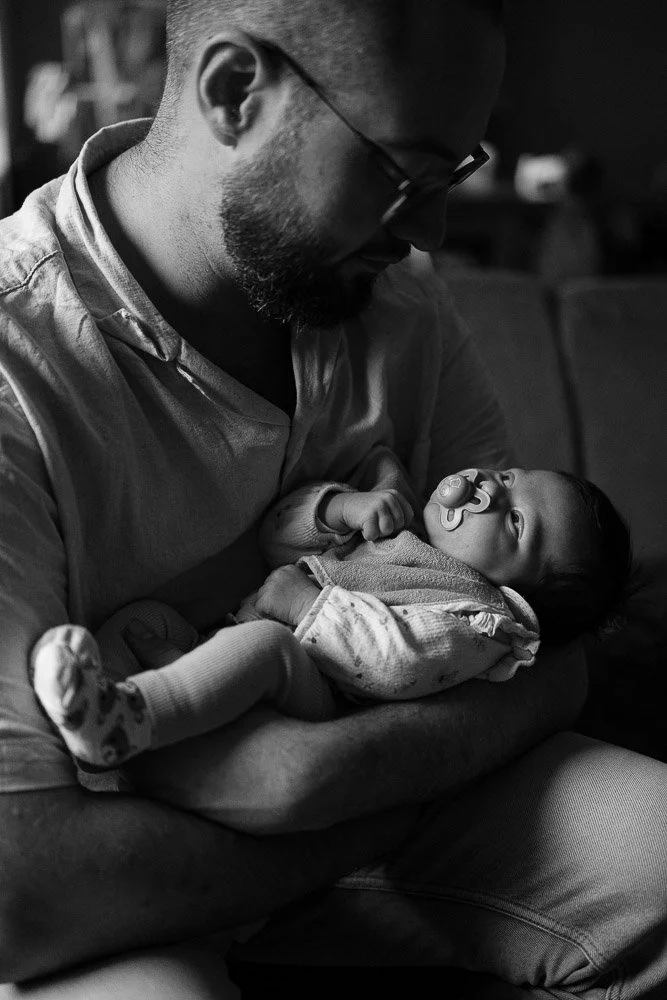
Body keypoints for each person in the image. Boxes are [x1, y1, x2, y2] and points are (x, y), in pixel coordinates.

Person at [0, 1, 665, 998]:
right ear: (235, 93)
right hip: (116, 851)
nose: (432, 230)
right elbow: (22, 888)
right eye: (404, 174)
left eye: (454, 174)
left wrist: (326, 783)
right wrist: (307, 799)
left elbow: (542, 641)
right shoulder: (19, 354)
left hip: (367, 781)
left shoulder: (396, 293)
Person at [30, 464, 631, 792]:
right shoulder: (403, 534)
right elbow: (275, 541)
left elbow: (398, 659)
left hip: (309, 699)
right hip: (227, 636)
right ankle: (91, 738)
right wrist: (342, 509)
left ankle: (134, 716)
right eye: (507, 475)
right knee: (145, 620)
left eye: (517, 522)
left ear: (519, 594)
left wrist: (304, 609)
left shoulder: (477, 618)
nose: (487, 491)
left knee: (263, 648)